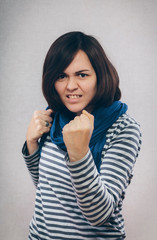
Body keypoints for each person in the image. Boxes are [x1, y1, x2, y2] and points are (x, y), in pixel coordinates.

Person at [22, 31, 141, 240]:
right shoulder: (54, 117)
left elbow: (99, 214)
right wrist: (32, 145)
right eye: (61, 76)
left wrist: (79, 153)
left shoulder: (124, 128)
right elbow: (49, 190)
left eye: (82, 75)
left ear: (100, 76)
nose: (70, 86)